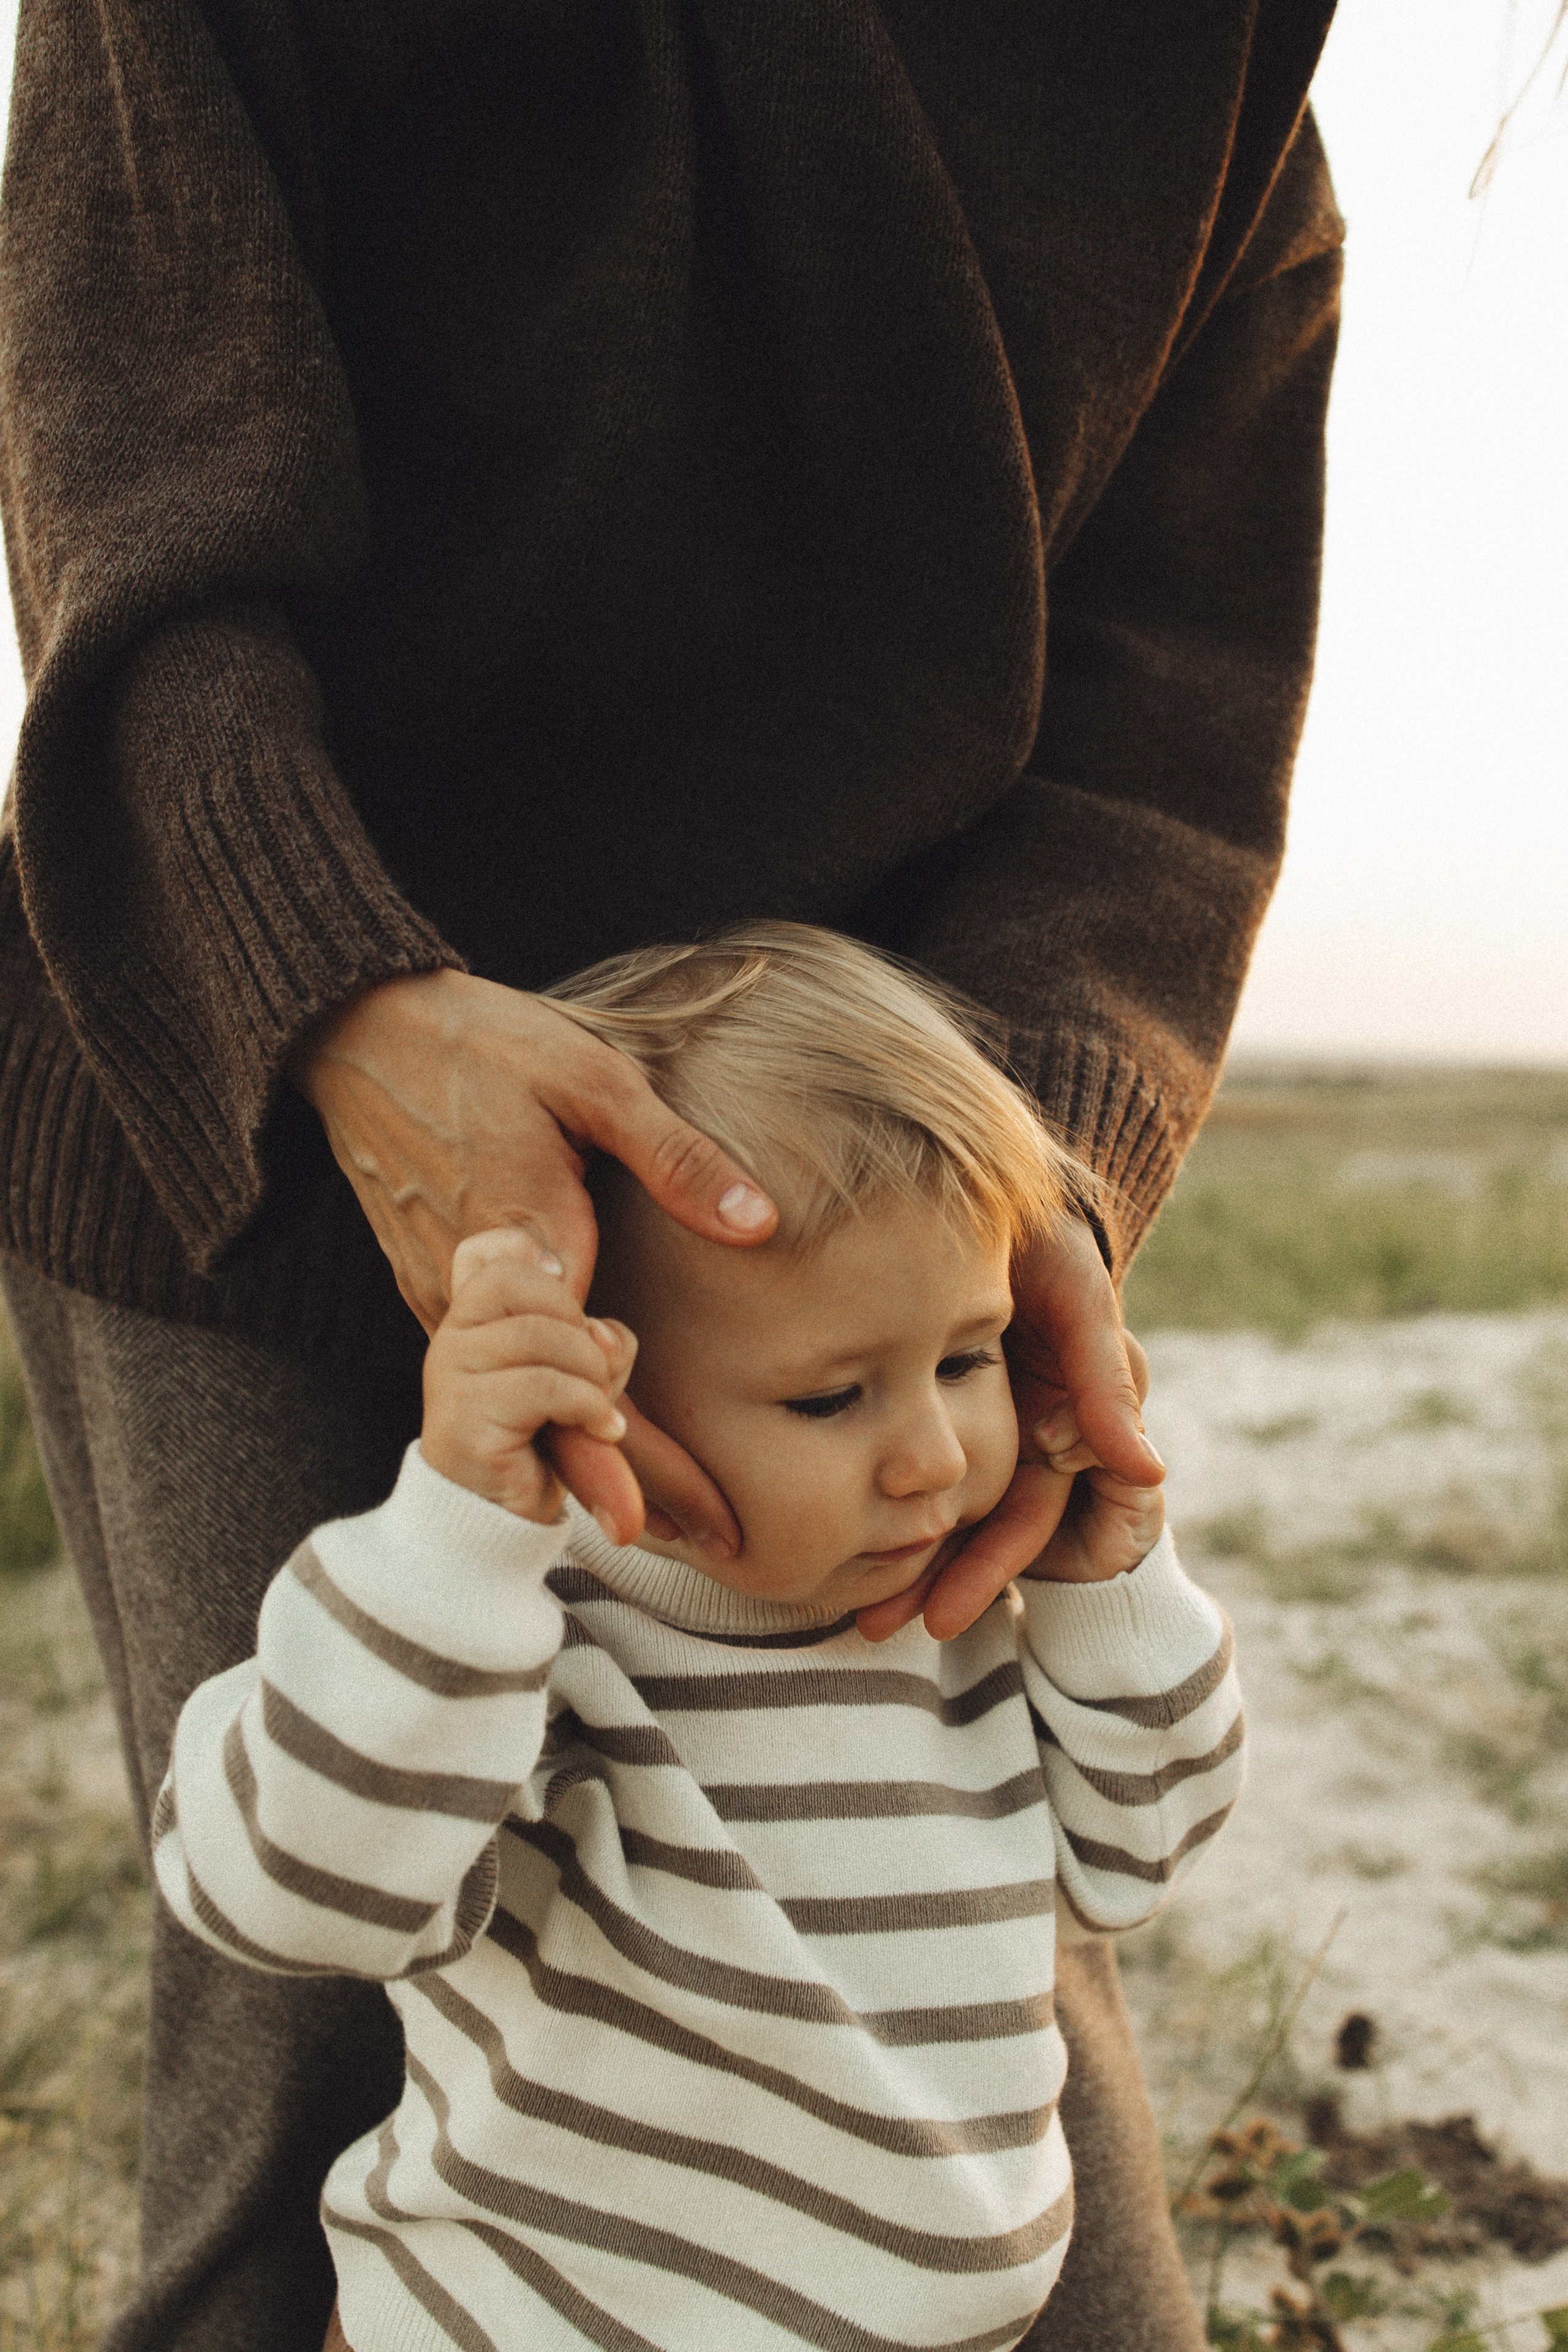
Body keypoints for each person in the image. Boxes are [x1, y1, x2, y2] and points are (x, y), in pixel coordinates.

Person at [0, 1, 1342, 2343]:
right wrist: (329, 1003)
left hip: (856, 1126)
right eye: (861, 1411)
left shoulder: (1230, 87)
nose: (936, 1454)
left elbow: (1175, 724)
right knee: (284, 2135)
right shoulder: (500, 1593)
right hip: (237, 1030)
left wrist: (995, 1204)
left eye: (935, 1393)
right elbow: (134, 489)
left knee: (1075, 2180)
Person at [153, 927, 1247, 2352]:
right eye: (827, 1399)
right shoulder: (529, 1644)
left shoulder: (963, 1619)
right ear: (601, 1382)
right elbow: (288, 1891)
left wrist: (1112, 1582)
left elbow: (1138, 1854)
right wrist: (458, 1534)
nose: (928, 1457)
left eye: (965, 1358)